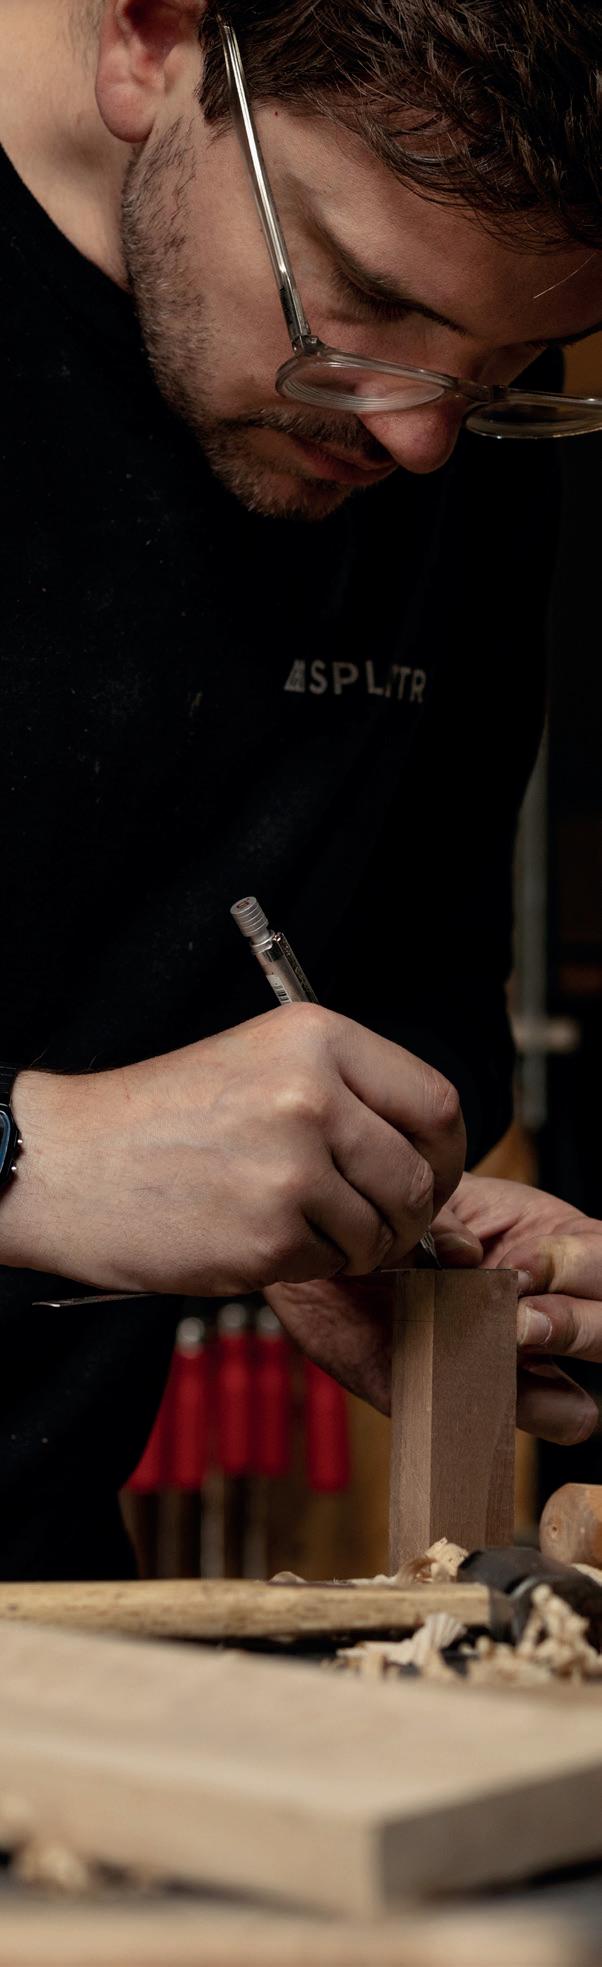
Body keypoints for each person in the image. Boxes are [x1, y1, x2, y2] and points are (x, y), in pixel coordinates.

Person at [1, 0, 602, 1578]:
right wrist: (26, 1156)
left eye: (509, 367)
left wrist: (378, 1206)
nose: (414, 437)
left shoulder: (437, 420)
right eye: (365, 301)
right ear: (152, 42)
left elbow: (411, 966)